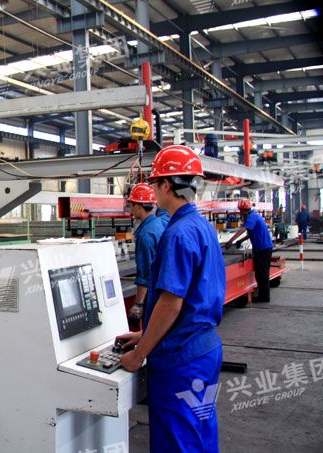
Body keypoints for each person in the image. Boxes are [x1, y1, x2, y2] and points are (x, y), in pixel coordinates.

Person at [117, 145, 226, 452]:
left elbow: (170, 304)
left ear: (166, 185)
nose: (153, 190)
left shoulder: (178, 233)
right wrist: (144, 334)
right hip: (204, 350)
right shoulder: (202, 226)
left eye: (154, 183)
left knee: (177, 441)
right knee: (200, 431)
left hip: (181, 359)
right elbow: (193, 297)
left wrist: (139, 353)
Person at [127, 183, 167, 328]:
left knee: (151, 330)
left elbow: (145, 275)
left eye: (131, 204)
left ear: (139, 206)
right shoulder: (161, 223)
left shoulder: (146, 235)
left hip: (154, 293)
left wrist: (138, 304)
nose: (130, 208)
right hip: (164, 289)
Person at [225, 199, 274, 302]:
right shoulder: (254, 216)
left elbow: (243, 229)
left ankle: (264, 297)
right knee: (261, 273)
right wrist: (240, 241)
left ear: (244, 210)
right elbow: (249, 233)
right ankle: (264, 295)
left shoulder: (251, 217)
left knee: (262, 273)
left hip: (262, 249)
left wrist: (230, 241)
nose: (240, 213)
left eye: (240, 210)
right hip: (263, 248)